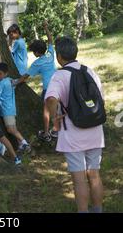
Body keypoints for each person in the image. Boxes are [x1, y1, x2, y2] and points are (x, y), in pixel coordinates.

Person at [45, 36, 105, 213]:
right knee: (94, 175)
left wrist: (55, 116)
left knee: (79, 179)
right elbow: (101, 101)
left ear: (59, 56)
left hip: (73, 134)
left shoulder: (59, 75)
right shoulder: (90, 72)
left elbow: (50, 99)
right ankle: (97, 210)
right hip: (95, 131)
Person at [21, 21, 58, 142]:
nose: (33, 53)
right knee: (57, 108)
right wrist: (46, 28)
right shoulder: (50, 54)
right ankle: (56, 130)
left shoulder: (37, 63)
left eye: (33, 51)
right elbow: (50, 40)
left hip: (48, 88)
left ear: (37, 52)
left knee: (47, 110)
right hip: (58, 85)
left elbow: (25, 76)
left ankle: (48, 133)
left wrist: (14, 82)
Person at [0, 62, 31, 154]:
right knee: (13, 128)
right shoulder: (9, 80)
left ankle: (25, 143)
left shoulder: (1, 83)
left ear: (6, 73)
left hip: (7, 110)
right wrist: (22, 79)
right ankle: (21, 145)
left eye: (0, 73)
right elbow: (16, 82)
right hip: (10, 109)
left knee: (10, 129)